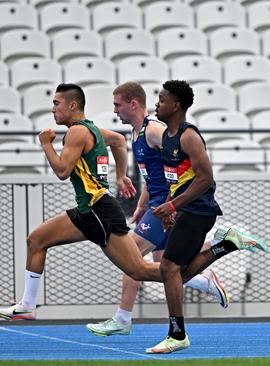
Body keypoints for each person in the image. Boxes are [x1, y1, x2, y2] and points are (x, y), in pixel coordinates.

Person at [0, 83, 166, 321]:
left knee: (138, 269)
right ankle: (27, 304)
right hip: (88, 210)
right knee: (36, 240)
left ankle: (200, 276)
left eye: (56, 104)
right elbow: (119, 140)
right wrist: (120, 176)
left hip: (99, 211)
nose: (53, 109)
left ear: (72, 105)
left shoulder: (77, 132)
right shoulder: (93, 129)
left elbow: (62, 171)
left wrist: (46, 144)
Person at [85, 82, 229, 337]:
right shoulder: (137, 133)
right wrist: (141, 205)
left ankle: (122, 317)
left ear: (133, 104)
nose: (114, 110)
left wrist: (174, 205)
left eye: (118, 104)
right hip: (157, 204)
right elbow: (153, 175)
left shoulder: (154, 131)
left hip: (166, 206)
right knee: (166, 270)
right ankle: (204, 280)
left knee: (130, 256)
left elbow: (177, 164)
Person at [144, 80, 267, 354]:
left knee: (167, 269)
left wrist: (173, 206)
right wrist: (167, 207)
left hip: (199, 211)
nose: (156, 104)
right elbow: (174, 179)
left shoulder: (189, 136)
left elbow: (205, 179)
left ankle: (177, 335)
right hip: (184, 209)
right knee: (179, 273)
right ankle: (227, 244)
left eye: (161, 100)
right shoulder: (166, 137)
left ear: (176, 106)